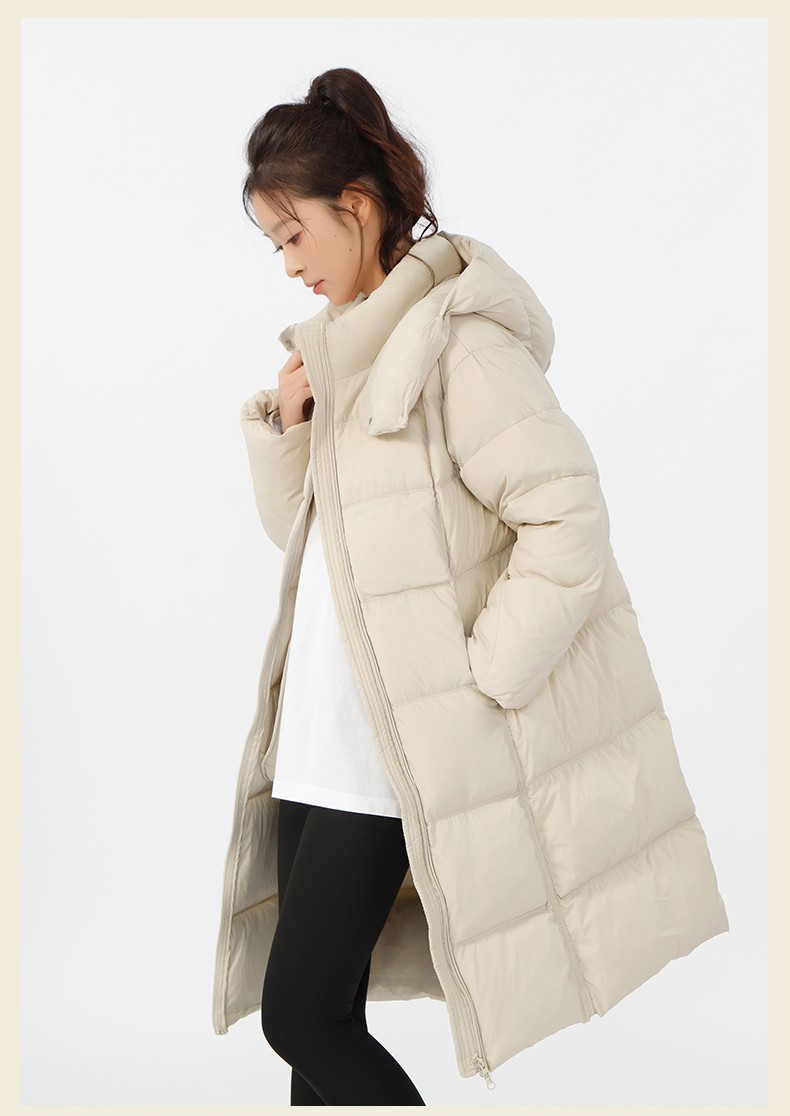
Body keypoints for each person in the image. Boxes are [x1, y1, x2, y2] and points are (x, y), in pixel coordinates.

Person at [212, 67, 728, 1104]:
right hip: (317, 736)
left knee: (302, 1015)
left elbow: (566, 520)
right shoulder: (346, 357)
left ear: (355, 206)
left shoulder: (460, 345)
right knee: (322, 1026)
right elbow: (311, 549)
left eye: (294, 234)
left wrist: (480, 681)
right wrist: (290, 429)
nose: (290, 264)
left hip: (390, 748)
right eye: (274, 246)